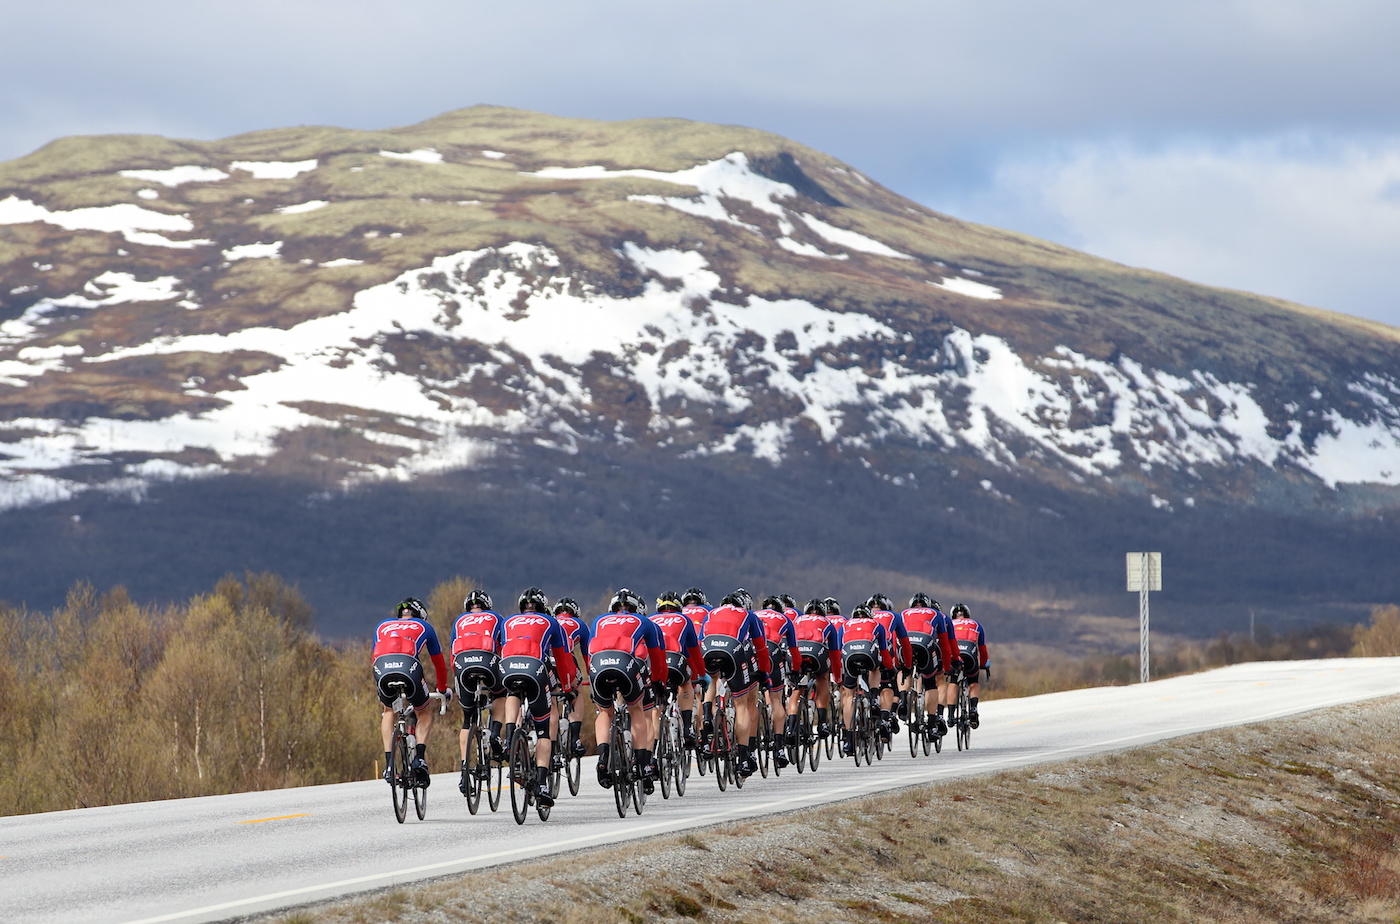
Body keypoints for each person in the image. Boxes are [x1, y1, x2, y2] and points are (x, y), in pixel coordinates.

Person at [497, 587, 578, 808]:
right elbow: (562, 659)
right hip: (535, 668)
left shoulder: (508, 621)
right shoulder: (551, 622)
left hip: (507, 668)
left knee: (512, 692)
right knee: (543, 730)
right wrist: (567, 686)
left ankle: (510, 738)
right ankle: (542, 785)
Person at [589, 589, 669, 793]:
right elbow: (657, 659)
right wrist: (658, 683)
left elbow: (590, 653)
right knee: (636, 710)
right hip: (627, 665)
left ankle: (603, 757)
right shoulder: (644, 622)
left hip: (598, 666)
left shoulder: (599, 621)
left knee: (604, 712)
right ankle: (642, 763)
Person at [372, 597, 451, 786]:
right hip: (408, 667)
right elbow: (439, 665)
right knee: (424, 712)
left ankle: (389, 765)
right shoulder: (424, 626)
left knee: (388, 711)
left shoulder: (382, 626)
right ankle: (419, 759)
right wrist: (442, 689)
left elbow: (375, 657)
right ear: (420, 615)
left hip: (382, 669)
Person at [700, 589, 772, 778]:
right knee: (741, 705)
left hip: (708, 649)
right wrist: (764, 674)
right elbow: (761, 648)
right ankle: (743, 758)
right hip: (732, 651)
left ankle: (707, 718)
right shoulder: (749, 615)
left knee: (713, 679)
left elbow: (700, 640)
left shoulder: (711, 613)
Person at [450, 589, 508, 794]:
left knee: (467, 720)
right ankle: (495, 734)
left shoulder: (459, 621)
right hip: (487, 661)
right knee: (501, 694)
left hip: (462, 666)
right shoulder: (497, 617)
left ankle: (464, 773)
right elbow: (504, 647)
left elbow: (452, 654)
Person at [648, 591, 706, 751]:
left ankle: (655, 745)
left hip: (655, 663)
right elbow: (693, 652)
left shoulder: (650, 619)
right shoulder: (684, 619)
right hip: (675, 660)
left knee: (656, 705)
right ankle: (687, 728)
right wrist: (701, 674)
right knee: (685, 683)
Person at [837, 603, 894, 757]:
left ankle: (849, 740)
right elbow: (884, 651)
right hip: (868, 654)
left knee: (849, 695)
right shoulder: (877, 624)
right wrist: (890, 668)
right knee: (875, 668)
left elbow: (838, 650)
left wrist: (839, 676)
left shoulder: (845, 625)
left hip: (848, 656)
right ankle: (874, 699)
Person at [899, 593, 954, 737]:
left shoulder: (903, 613)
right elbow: (945, 645)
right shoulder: (936, 614)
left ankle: (903, 699)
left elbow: (894, 637)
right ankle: (931, 724)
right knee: (931, 683)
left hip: (905, 645)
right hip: (925, 645)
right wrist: (947, 667)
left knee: (905, 671)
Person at [755, 595, 800, 768]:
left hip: (751, 651)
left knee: (746, 701)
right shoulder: (785, 619)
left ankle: (748, 749)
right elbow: (794, 651)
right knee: (777, 699)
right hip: (772, 652)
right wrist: (795, 671)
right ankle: (779, 748)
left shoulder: (755, 614)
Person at [790, 598, 842, 741]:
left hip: (797, 652)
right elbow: (835, 654)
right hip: (816, 652)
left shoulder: (797, 620)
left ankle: (790, 727)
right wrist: (838, 677)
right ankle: (822, 723)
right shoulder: (827, 623)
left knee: (797, 689)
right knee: (822, 677)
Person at [867, 593, 913, 739]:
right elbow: (903, 643)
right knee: (888, 683)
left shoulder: (859, 618)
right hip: (885, 652)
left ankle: (851, 725)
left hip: (855, 652)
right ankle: (887, 715)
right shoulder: (893, 616)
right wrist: (907, 665)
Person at [552, 597, 591, 758]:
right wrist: (590, 677)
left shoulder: (550, 621)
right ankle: (575, 739)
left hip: (545, 659)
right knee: (578, 691)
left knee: (550, 693)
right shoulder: (580, 624)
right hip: (566, 659)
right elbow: (587, 656)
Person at [947, 603, 990, 728]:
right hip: (970, 654)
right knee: (973, 681)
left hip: (954, 654)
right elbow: (982, 649)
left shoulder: (949, 624)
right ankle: (973, 709)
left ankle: (950, 715)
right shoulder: (976, 624)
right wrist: (983, 665)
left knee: (953, 681)